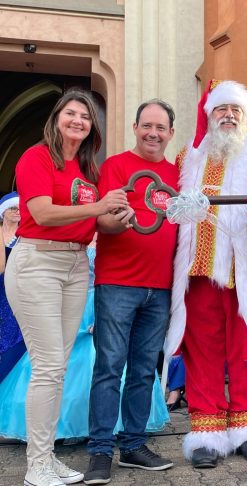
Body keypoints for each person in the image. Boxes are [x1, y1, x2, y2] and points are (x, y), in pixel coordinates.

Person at [5, 89, 129, 486]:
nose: (78, 121)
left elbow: (95, 222)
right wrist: (99, 206)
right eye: (71, 114)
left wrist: (120, 217)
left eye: (86, 117)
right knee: (48, 367)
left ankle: (47, 458)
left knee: (57, 368)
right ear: (57, 118)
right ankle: (36, 466)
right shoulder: (36, 157)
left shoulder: (89, 168)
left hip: (75, 264)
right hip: (37, 261)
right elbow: (40, 211)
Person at [165, 79, 247, 469]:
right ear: (209, 115)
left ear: (245, 117)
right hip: (198, 271)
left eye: (236, 111)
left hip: (242, 268)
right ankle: (206, 432)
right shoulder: (188, 158)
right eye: (222, 110)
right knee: (203, 351)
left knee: (245, 350)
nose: (229, 116)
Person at [84, 99, 178, 484]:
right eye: (147, 126)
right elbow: (102, 222)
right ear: (136, 128)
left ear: (171, 133)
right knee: (109, 368)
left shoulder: (177, 174)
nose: (153, 133)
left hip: (160, 287)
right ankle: (100, 452)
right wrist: (117, 221)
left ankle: (134, 445)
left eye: (161, 128)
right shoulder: (115, 166)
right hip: (118, 283)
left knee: (143, 371)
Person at [0, 241, 169, 443]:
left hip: (110, 302)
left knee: (110, 364)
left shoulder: (113, 233)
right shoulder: (77, 234)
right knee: (57, 364)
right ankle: (61, 428)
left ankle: (114, 428)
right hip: (75, 303)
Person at [0, 192, 25, 383]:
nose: (17, 211)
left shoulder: (25, 234)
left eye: (20, 208)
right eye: (12, 208)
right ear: (3, 212)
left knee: (14, 335)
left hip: (18, 289)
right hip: (1, 287)